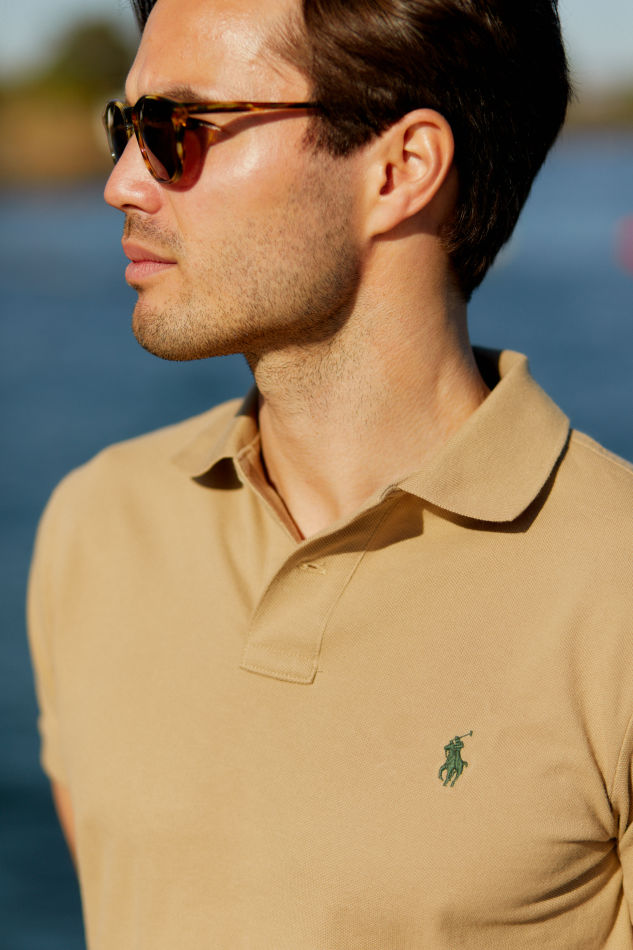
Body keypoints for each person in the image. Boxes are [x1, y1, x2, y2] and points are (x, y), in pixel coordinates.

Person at [27, 0, 633, 947]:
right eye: (126, 125)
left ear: (402, 168)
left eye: (175, 128)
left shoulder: (613, 595)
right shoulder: (98, 523)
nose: (120, 182)